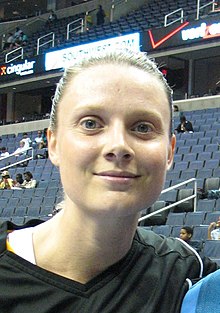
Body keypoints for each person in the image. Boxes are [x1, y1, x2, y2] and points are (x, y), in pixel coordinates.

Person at [0, 50, 218, 313]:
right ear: (53, 144)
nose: (118, 146)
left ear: (170, 152)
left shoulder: (188, 273)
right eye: (91, 123)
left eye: (143, 127)